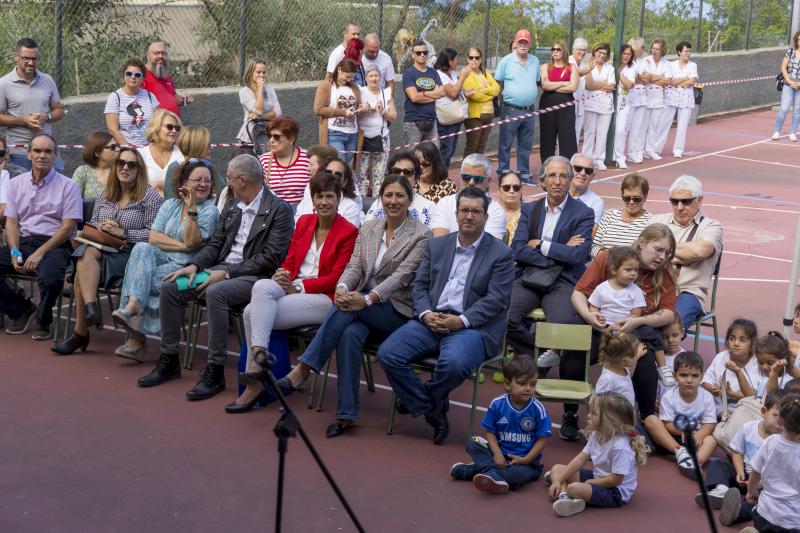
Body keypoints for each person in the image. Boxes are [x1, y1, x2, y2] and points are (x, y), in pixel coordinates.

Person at [275, 174, 430, 437]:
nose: (393, 201)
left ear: (409, 199)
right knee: (348, 333)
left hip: (395, 310)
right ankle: (346, 414)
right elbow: (354, 266)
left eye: (400, 196)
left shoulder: (421, 235)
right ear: (381, 198)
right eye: (389, 195)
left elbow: (401, 277)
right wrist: (344, 289)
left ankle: (303, 369)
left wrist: (366, 299)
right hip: (360, 308)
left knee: (344, 309)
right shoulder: (370, 228)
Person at [136, 154, 293, 400]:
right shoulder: (232, 207)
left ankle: (215, 370)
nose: (226, 182)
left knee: (215, 292)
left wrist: (227, 273)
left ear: (242, 180)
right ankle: (168, 361)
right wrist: (194, 264)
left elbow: (271, 258)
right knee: (171, 288)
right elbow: (215, 244)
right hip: (219, 269)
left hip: (255, 276)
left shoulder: (279, 210)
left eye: (229, 178)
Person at [380, 187, 515, 445]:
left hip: (471, 327)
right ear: (456, 214)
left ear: (486, 217)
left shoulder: (501, 254)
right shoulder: (437, 245)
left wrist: (461, 321)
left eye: (476, 212)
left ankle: (422, 400)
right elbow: (419, 286)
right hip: (431, 319)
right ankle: (432, 407)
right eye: (464, 210)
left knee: (453, 364)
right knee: (389, 354)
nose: (469, 216)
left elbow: (496, 299)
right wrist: (426, 313)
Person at [228, 172, 358, 413]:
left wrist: (297, 287)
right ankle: (258, 371)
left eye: (330, 196)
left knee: (250, 313)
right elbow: (290, 261)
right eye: (319, 196)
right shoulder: (305, 222)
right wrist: (283, 273)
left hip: (324, 299)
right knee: (262, 287)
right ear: (312, 198)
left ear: (339, 199)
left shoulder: (348, 231)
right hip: (293, 287)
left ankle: (255, 378)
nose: (324, 202)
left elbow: (337, 279)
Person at [571, 223, 678, 439]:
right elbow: (578, 293)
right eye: (658, 249)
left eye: (667, 253)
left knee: (644, 353)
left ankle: (647, 418)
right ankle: (570, 415)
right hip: (598, 325)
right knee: (575, 349)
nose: (662, 257)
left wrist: (637, 321)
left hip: (631, 329)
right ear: (641, 242)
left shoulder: (663, 274)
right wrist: (590, 316)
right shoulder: (611, 258)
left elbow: (668, 313)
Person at [51, 147, 163, 355]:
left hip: (132, 254)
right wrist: (101, 227)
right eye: (121, 163)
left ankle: (81, 332)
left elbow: (154, 235)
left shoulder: (149, 197)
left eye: (132, 164)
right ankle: (92, 308)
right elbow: (92, 224)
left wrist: (123, 232)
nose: (125, 167)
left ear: (139, 170)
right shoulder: (106, 193)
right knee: (86, 252)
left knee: (79, 272)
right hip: (103, 248)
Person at [110, 159, 218, 360]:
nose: (204, 184)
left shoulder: (210, 211)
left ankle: (136, 335)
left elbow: (193, 241)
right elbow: (153, 237)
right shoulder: (170, 204)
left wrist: (192, 209)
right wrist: (183, 246)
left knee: (141, 278)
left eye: (208, 181)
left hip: (187, 266)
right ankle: (133, 305)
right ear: (184, 183)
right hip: (162, 257)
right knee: (142, 247)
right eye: (198, 180)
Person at [506, 155, 594, 364]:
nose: (557, 181)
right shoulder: (529, 209)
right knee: (504, 316)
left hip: (562, 280)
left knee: (562, 325)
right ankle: (535, 359)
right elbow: (517, 249)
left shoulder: (583, 213)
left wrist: (540, 244)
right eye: (552, 175)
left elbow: (577, 255)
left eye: (563, 176)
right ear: (542, 181)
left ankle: (537, 364)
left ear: (569, 180)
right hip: (530, 277)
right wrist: (557, 254)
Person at [0, 134, 81, 339]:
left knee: (50, 278)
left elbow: (68, 227)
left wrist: (39, 253)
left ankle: (43, 320)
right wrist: (14, 251)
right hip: (24, 242)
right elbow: (11, 221)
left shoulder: (68, 186)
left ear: (56, 155)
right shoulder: (16, 183)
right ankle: (21, 309)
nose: (42, 155)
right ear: (28, 154)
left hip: (55, 244)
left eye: (48, 151)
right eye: (37, 150)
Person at [449, 355, 551, 493]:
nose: (528, 388)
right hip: (500, 455)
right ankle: (492, 473)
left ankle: (476, 471)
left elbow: (542, 439)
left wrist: (526, 459)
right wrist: (497, 453)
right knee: (472, 442)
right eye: (522, 383)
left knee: (515, 475)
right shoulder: (497, 404)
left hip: (526, 464)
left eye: (532, 384)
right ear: (507, 384)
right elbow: (490, 432)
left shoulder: (538, 409)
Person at [547, 392, 648, 517]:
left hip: (615, 491)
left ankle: (569, 493)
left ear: (609, 421)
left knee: (574, 488)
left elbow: (616, 480)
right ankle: (564, 496)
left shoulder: (620, 447)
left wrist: (590, 483)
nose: (588, 416)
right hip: (598, 477)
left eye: (594, 414)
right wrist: (560, 479)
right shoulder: (597, 434)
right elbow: (580, 459)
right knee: (557, 468)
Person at [708, 389, 788, 526]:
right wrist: (739, 471)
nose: (780, 423)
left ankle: (736, 512)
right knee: (718, 465)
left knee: (762, 501)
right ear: (763, 412)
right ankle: (721, 491)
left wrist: (758, 484)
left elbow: (778, 473)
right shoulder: (748, 428)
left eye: (785, 419)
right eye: (776, 416)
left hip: (763, 482)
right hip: (745, 474)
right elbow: (737, 452)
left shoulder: (781, 440)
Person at [653, 175, 723, 331]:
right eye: (674, 201)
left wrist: (658, 249)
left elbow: (701, 250)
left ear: (700, 200)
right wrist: (682, 256)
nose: (679, 207)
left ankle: (665, 354)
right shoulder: (656, 220)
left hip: (687, 292)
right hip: (653, 287)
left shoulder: (711, 226)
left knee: (669, 328)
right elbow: (639, 249)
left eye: (686, 201)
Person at [643, 351, 717, 479]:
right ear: (674, 376)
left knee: (712, 440)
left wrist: (698, 435)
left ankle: (694, 463)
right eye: (683, 375)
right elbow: (667, 424)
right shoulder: (669, 397)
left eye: (695, 376)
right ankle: (679, 452)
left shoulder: (707, 397)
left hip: (696, 439)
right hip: (672, 438)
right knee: (651, 420)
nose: (689, 380)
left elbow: (709, 424)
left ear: (702, 377)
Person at [0, 38, 65, 172]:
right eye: (26, 58)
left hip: (47, 149)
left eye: (34, 59)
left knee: (55, 189)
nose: (31, 63)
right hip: (19, 152)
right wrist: (23, 120)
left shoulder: (47, 80)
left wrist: (46, 116)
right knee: (24, 191)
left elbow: (59, 111)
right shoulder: (4, 84)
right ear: (16, 57)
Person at [745, 394, 800, 532]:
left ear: (780, 420)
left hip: (762, 515)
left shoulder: (771, 441)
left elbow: (755, 471)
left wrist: (751, 492)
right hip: (790, 523)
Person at [494, 30, 541, 184]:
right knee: (505, 143)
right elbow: (498, 84)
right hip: (510, 109)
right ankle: (503, 173)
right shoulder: (506, 61)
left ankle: (524, 173)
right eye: (520, 42)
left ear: (530, 44)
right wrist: (503, 103)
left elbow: (537, 82)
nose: (523, 45)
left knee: (526, 144)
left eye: (526, 42)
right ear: (515, 43)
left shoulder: (535, 61)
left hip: (529, 109)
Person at [430, 153, 505, 239]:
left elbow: (488, 248)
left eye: (478, 179)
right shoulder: (445, 203)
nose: (471, 182)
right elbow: (440, 242)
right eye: (466, 177)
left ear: (488, 181)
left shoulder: (496, 211)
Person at [701, 318, 759, 416]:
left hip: (743, 412)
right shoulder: (721, 357)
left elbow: (753, 396)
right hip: (716, 408)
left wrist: (729, 393)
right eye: (732, 338)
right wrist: (712, 388)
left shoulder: (757, 363)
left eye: (742, 340)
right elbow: (705, 380)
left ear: (752, 343)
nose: (736, 343)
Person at [313, 59, 366, 163]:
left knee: (345, 165)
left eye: (352, 77)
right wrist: (342, 112)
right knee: (338, 163)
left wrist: (363, 108)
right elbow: (318, 109)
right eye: (347, 76)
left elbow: (357, 107)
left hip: (352, 132)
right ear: (339, 70)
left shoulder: (354, 87)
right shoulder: (326, 85)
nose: (349, 80)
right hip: (334, 132)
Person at [364, 151, 436, 226]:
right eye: (396, 171)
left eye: (408, 172)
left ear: (416, 178)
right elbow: (366, 231)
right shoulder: (379, 202)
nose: (401, 176)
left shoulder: (428, 207)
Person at [592, 173, 653, 257]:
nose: (631, 202)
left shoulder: (651, 222)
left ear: (645, 197)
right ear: (622, 196)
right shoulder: (610, 215)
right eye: (627, 198)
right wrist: (604, 256)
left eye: (637, 199)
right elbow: (594, 245)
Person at [357, 64, 397, 196]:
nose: (374, 78)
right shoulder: (360, 92)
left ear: (380, 77)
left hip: (382, 138)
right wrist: (365, 109)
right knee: (361, 174)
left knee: (378, 175)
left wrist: (383, 111)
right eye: (371, 75)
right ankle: (361, 202)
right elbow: (355, 113)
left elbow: (394, 116)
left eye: (376, 75)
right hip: (363, 139)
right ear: (366, 78)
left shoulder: (386, 93)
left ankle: (376, 202)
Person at [538, 39, 578, 162]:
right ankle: (547, 166)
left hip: (566, 107)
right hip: (547, 105)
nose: (555, 52)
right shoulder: (545, 67)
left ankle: (568, 166)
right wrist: (562, 83)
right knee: (547, 138)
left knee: (567, 137)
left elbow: (573, 87)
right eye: (553, 49)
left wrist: (553, 85)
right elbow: (545, 85)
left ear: (564, 51)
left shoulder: (572, 67)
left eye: (558, 49)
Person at [105, 58, 158, 148]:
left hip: (149, 149)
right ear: (124, 76)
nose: (133, 77)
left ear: (142, 79)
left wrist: (152, 147)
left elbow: (158, 123)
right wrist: (128, 148)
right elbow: (113, 129)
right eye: (129, 74)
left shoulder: (150, 96)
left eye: (137, 75)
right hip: (125, 149)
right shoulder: (115, 97)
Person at [294, 158, 362, 228]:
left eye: (337, 175)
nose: (331, 177)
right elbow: (297, 226)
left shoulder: (351, 208)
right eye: (328, 173)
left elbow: (347, 235)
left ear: (344, 182)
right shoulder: (308, 199)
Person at [258, 116, 310, 206]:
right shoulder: (263, 160)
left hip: (302, 214)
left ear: (291, 139)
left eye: (276, 137)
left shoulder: (308, 158)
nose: (271, 141)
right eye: (269, 136)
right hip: (274, 214)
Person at [402, 39, 445, 146]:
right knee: (412, 155)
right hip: (413, 121)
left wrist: (424, 94)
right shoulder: (408, 73)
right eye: (418, 53)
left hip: (432, 119)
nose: (422, 55)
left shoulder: (433, 72)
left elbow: (442, 93)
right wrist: (433, 94)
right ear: (413, 55)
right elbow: (414, 97)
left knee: (434, 152)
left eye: (425, 52)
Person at [434, 48, 471, 168]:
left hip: (456, 117)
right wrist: (463, 77)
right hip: (447, 118)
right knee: (446, 150)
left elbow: (458, 90)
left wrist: (465, 92)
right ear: (449, 61)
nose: (457, 62)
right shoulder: (439, 75)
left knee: (451, 150)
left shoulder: (453, 73)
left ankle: (444, 176)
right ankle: (440, 179)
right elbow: (453, 93)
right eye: (456, 59)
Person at [164, 126, 223, 200]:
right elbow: (171, 202)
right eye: (208, 145)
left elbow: (223, 194)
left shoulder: (209, 166)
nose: (211, 148)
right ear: (197, 145)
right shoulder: (176, 167)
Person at [581, 43, 616, 171]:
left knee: (602, 133)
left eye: (604, 54)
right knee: (590, 132)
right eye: (599, 53)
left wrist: (596, 85)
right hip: (590, 105)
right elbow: (587, 85)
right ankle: (586, 159)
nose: (602, 55)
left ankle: (599, 159)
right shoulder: (588, 67)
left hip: (606, 105)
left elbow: (611, 86)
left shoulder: (610, 68)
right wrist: (602, 84)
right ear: (594, 52)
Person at [462, 47, 499, 158]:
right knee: (472, 146)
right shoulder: (466, 73)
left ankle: (478, 172)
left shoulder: (485, 72)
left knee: (481, 147)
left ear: (481, 59)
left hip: (489, 115)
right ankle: (467, 173)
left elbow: (496, 89)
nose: (474, 60)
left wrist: (485, 90)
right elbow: (475, 96)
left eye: (477, 57)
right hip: (474, 117)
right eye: (471, 57)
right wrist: (490, 96)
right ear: (467, 59)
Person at [235, 58, 282, 147]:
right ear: (251, 72)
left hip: (268, 133)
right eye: (258, 72)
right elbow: (258, 110)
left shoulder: (270, 89)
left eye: (264, 72)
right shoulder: (244, 91)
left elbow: (278, 113)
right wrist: (260, 88)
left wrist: (260, 117)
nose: (262, 75)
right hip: (250, 136)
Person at [663, 41, 698, 158]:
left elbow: (692, 80)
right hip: (670, 98)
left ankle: (678, 149)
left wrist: (678, 81)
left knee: (682, 126)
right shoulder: (670, 65)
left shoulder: (693, 65)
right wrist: (684, 79)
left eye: (689, 51)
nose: (688, 53)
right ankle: (656, 148)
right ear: (679, 52)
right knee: (664, 124)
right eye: (686, 51)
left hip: (686, 100)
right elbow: (670, 81)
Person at [137, 109, 184, 194]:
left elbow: (184, 185)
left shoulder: (181, 154)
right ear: (156, 127)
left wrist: (159, 184)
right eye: (169, 127)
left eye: (177, 128)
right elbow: (138, 185)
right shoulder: (141, 154)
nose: (174, 131)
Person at [639, 39, 671, 161]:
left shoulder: (666, 63)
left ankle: (650, 150)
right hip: (645, 97)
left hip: (658, 99)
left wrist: (652, 77)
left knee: (654, 126)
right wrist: (659, 78)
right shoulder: (645, 61)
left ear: (662, 50)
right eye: (653, 48)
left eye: (657, 49)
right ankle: (639, 150)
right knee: (643, 126)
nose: (654, 51)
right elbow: (644, 78)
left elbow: (668, 80)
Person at [594, 331, 644, 408]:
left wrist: (636, 357)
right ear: (624, 360)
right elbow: (597, 402)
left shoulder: (623, 369)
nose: (637, 354)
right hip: (615, 418)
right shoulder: (608, 379)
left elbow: (629, 376)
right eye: (635, 354)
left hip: (625, 415)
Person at [141, 42, 191, 116]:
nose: (160, 56)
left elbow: (173, 97)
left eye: (163, 53)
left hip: (173, 125)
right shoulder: (140, 75)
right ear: (148, 56)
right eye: (156, 53)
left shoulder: (166, 75)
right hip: (154, 125)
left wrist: (183, 100)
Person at [71, 132, 120, 199]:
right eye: (113, 147)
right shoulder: (83, 171)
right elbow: (74, 200)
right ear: (97, 152)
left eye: (118, 146)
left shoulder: (121, 171)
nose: (118, 149)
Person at [772, 31, 800, 142]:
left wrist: (798, 84)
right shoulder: (790, 52)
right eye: (799, 39)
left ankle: (793, 133)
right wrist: (789, 81)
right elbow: (783, 68)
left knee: (798, 110)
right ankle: (777, 131)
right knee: (784, 108)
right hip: (788, 85)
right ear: (796, 40)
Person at [753, 332, 799, 396]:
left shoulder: (786, 380)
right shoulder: (758, 374)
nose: (764, 367)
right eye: (760, 363)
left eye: (770, 363)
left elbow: (771, 398)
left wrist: (774, 372)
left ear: (782, 359)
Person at [568, 153, 604, 234]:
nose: (583, 173)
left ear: (592, 176)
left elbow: (588, 234)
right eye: (578, 168)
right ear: (569, 170)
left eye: (588, 171)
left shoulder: (596, 202)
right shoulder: (558, 194)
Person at [613, 45, 637, 169]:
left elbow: (628, 85)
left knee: (621, 130)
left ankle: (620, 157)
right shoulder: (610, 65)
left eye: (629, 54)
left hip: (623, 104)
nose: (626, 56)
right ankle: (606, 156)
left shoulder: (631, 68)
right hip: (609, 104)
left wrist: (619, 74)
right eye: (624, 53)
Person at [625, 38, 649, 164]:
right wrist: (639, 78)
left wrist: (639, 78)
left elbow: (646, 78)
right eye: (637, 49)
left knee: (638, 127)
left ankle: (632, 152)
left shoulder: (643, 62)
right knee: (626, 126)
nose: (639, 52)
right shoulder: (628, 63)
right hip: (630, 97)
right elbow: (633, 79)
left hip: (642, 97)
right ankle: (619, 153)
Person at [568, 38, 591, 146]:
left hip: (580, 104)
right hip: (568, 104)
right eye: (579, 49)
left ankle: (573, 159)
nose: (582, 52)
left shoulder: (583, 64)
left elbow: (589, 84)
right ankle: (563, 159)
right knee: (567, 133)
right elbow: (576, 74)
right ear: (573, 49)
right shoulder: (568, 61)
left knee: (577, 133)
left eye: (584, 50)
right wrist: (589, 68)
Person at [658, 314, 685, 400]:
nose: (670, 340)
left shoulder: (685, 358)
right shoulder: (656, 357)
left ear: (682, 333)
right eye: (664, 337)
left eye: (675, 335)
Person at [361, 33, 396, 99]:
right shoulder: (357, 57)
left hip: (379, 97)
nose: (374, 54)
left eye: (377, 51)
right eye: (371, 51)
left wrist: (388, 102)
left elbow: (390, 83)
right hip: (361, 98)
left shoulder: (386, 58)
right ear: (363, 47)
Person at [497, 171, 522, 244]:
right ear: (498, 191)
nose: (511, 191)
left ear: (521, 191)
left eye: (516, 188)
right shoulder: (489, 211)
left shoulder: (527, 215)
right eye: (506, 187)